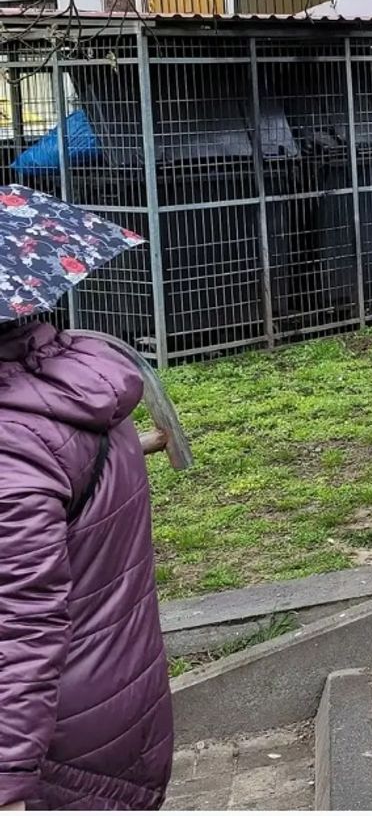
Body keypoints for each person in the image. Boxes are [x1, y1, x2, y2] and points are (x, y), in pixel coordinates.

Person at [0, 320, 173, 810]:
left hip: (53, 753)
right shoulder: (67, 382)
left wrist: (7, 780)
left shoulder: (10, 449)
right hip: (116, 706)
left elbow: (20, 629)